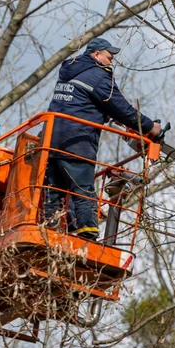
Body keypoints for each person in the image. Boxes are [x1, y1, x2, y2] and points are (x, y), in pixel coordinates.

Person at [43, 37, 161, 240]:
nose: (111, 62)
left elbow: (81, 102)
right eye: (109, 57)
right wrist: (151, 127)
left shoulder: (69, 72)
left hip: (50, 139)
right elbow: (121, 108)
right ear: (96, 55)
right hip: (77, 140)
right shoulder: (98, 75)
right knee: (82, 188)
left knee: (54, 188)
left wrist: (104, 114)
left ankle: (49, 230)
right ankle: (87, 232)